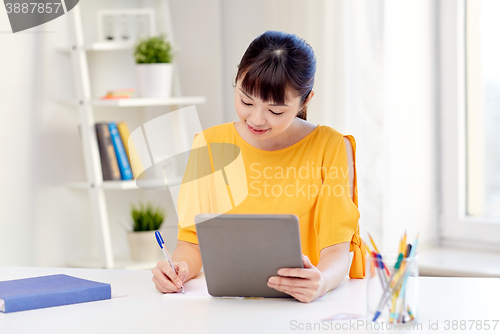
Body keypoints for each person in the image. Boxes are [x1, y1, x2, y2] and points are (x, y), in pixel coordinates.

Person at [152, 30, 366, 303]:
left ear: (306, 100)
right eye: (245, 101)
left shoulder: (331, 147)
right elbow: (192, 242)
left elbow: (337, 250)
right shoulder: (209, 144)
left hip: (304, 308)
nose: (255, 119)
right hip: (234, 307)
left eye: (275, 111)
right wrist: (178, 270)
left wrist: (321, 281)